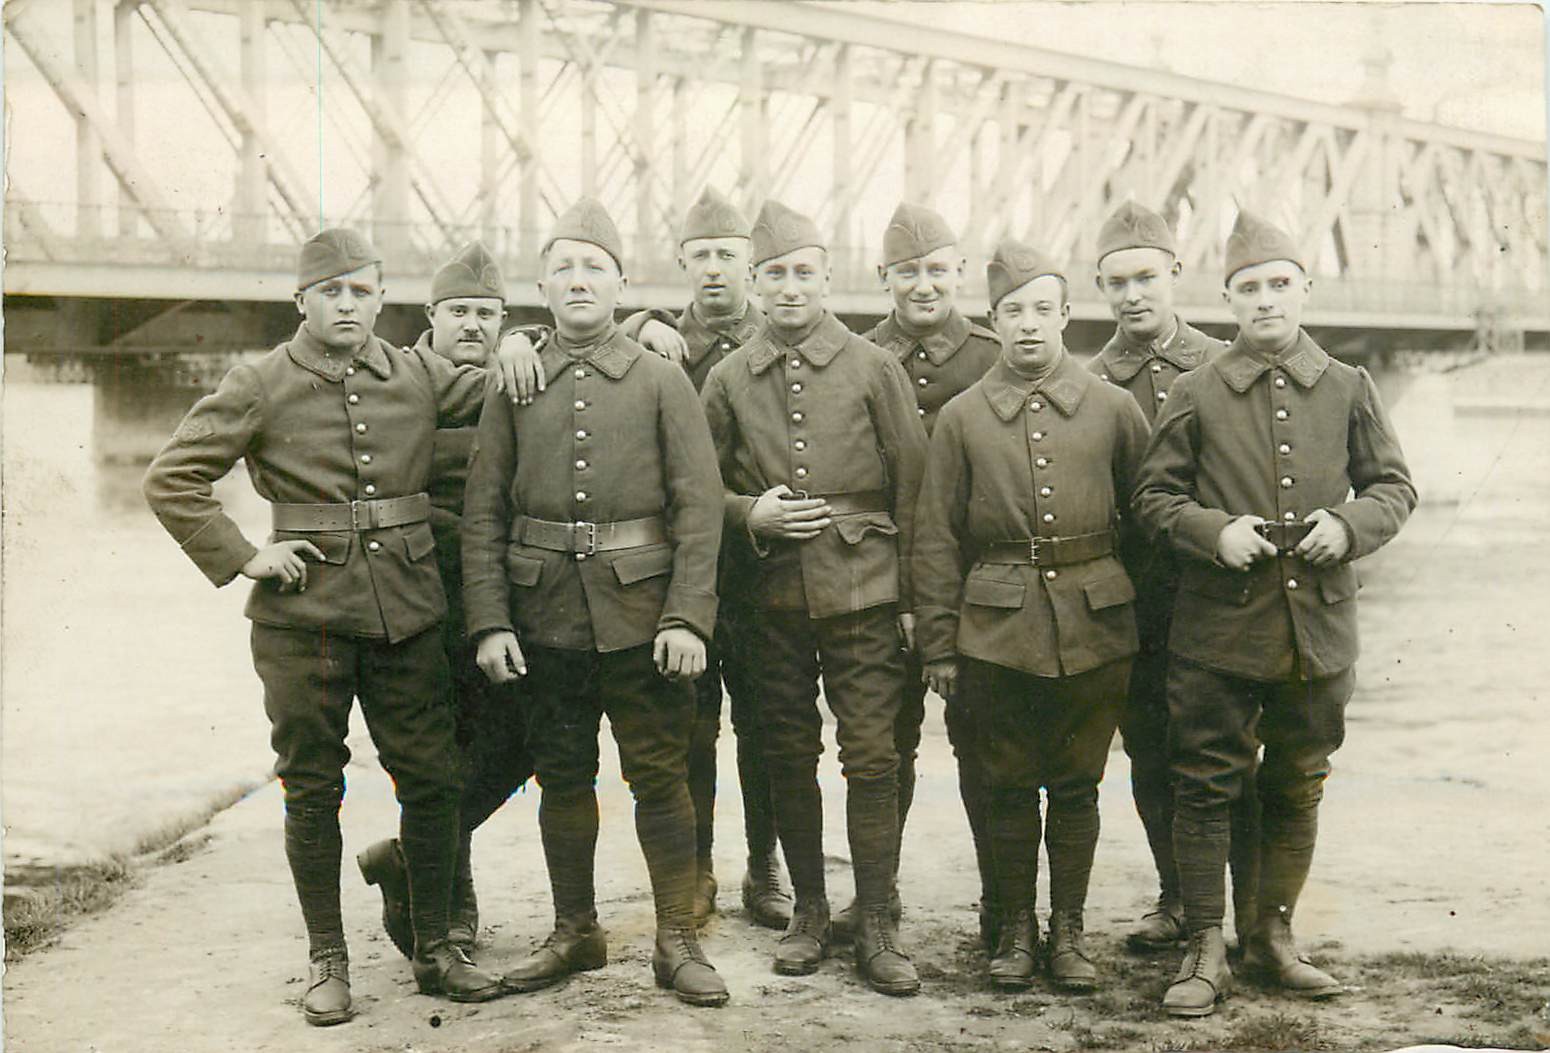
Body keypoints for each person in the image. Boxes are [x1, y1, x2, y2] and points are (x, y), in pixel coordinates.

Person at [143, 229, 509, 1026]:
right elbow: (173, 477)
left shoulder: (415, 370)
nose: (349, 305)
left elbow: (505, 391)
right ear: (301, 300)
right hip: (302, 616)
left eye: (363, 291)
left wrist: (571, 339)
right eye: (333, 291)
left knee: (436, 778)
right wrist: (246, 554)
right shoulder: (261, 381)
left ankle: (437, 948)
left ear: (384, 299)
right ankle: (327, 959)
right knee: (312, 785)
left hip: (408, 611)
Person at [1133, 210, 1416, 1017]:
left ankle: (1275, 937)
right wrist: (1211, 531)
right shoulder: (1194, 390)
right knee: (1205, 782)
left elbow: (1394, 488)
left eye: (1278, 285)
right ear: (1226, 299)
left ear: (1304, 290)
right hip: (1217, 627)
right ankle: (1205, 945)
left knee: (1298, 780)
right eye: (1248, 289)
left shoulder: (1349, 387)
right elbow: (1154, 496)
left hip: (1317, 629)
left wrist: (1350, 525)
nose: (1265, 302)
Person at [460, 198, 731, 1008]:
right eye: (564, 267)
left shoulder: (659, 377)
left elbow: (700, 505)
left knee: (662, 776)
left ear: (622, 283)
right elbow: (484, 511)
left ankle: (676, 939)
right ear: (541, 284)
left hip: (645, 622)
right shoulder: (514, 380)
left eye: (596, 267)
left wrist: (687, 616)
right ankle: (575, 928)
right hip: (547, 621)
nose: (579, 280)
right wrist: (490, 620)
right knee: (564, 777)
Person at [700, 200, 928, 996]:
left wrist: (915, 604)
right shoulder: (727, 378)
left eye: (804, 272)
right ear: (755, 285)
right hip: (770, 599)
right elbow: (699, 493)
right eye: (775, 276)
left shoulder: (875, 367)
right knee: (786, 753)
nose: (790, 288)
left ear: (828, 277)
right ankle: (808, 908)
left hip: (867, 593)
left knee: (872, 755)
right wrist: (748, 513)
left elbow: (917, 488)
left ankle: (876, 919)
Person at [914, 240, 1149, 992]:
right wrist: (941, 647)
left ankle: (1070, 932)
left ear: (1066, 315)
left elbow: (1147, 521)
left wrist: (1138, 625)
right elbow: (935, 535)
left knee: (1078, 784)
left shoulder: (1114, 407)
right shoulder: (960, 416)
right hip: (995, 629)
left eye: (1042, 309)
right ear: (993, 319)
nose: (1027, 326)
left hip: (1096, 623)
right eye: (1012, 311)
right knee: (1008, 782)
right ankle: (1015, 929)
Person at [356, 241, 542, 961]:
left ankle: (411, 856)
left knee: (522, 733)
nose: (472, 325)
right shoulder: (397, 376)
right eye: (458, 311)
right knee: (435, 748)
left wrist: (531, 339)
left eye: (488, 314)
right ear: (429, 316)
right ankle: (451, 902)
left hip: (495, 589)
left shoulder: (518, 372)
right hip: (413, 588)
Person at [615, 187, 791, 928]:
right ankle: (698, 868)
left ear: (752, 264)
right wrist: (638, 323)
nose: (715, 270)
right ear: (682, 263)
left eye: (729, 255)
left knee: (766, 723)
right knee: (688, 723)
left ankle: (764, 864)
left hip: (762, 568)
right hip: (681, 567)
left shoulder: (780, 334)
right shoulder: (652, 342)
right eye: (702, 256)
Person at [1087, 201, 1260, 953]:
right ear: (1100, 288)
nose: (1133, 295)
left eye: (1146, 278)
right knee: (1152, 750)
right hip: (1138, 597)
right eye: (1117, 282)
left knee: (1227, 752)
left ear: (1176, 275)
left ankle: (1249, 913)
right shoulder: (1090, 380)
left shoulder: (1228, 365)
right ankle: (1177, 898)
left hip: (1222, 594)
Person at [832, 202, 1001, 949]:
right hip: (884, 581)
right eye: (908, 273)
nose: (924, 285)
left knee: (986, 744)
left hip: (982, 583)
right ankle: (880, 896)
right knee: (885, 743)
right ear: (884, 279)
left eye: (938, 270)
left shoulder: (995, 355)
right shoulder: (860, 357)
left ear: (960, 272)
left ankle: (1004, 904)